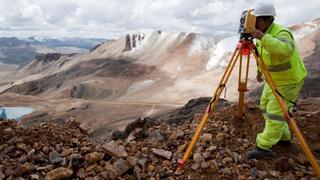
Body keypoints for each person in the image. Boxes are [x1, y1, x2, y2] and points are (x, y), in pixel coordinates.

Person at [246, 2, 307, 159]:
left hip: (288, 80)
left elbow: (285, 51)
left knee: (274, 112)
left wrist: (263, 37)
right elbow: (264, 56)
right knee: (265, 105)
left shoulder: (281, 32)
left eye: (257, 20)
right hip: (273, 80)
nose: (254, 23)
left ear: (267, 20)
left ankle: (263, 146)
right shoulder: (262, 33)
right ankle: (283, 136)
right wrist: (260, 72)